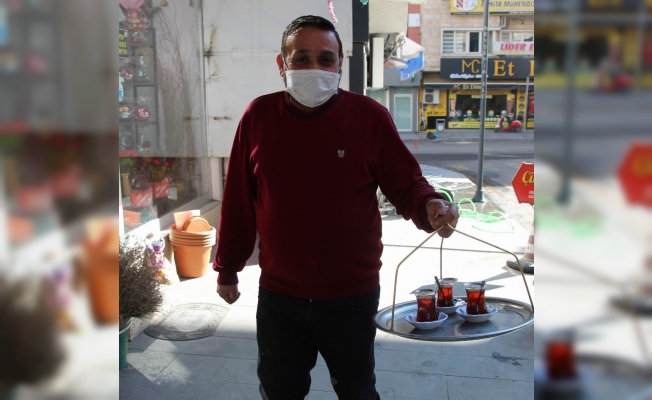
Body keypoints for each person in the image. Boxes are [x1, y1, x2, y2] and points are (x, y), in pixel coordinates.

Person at [214, 15, 459, 400]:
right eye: (301, 58)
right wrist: (228, 267)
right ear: (282, 64)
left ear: (340, 64)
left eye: (325, 59)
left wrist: (431, 205)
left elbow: (407, 183)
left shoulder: (369, 117)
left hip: (352, 295)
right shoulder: (258, 117)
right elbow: (238, 200)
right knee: (279, 391)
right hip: (281, 295)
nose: (314, 67)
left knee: (357, 390)